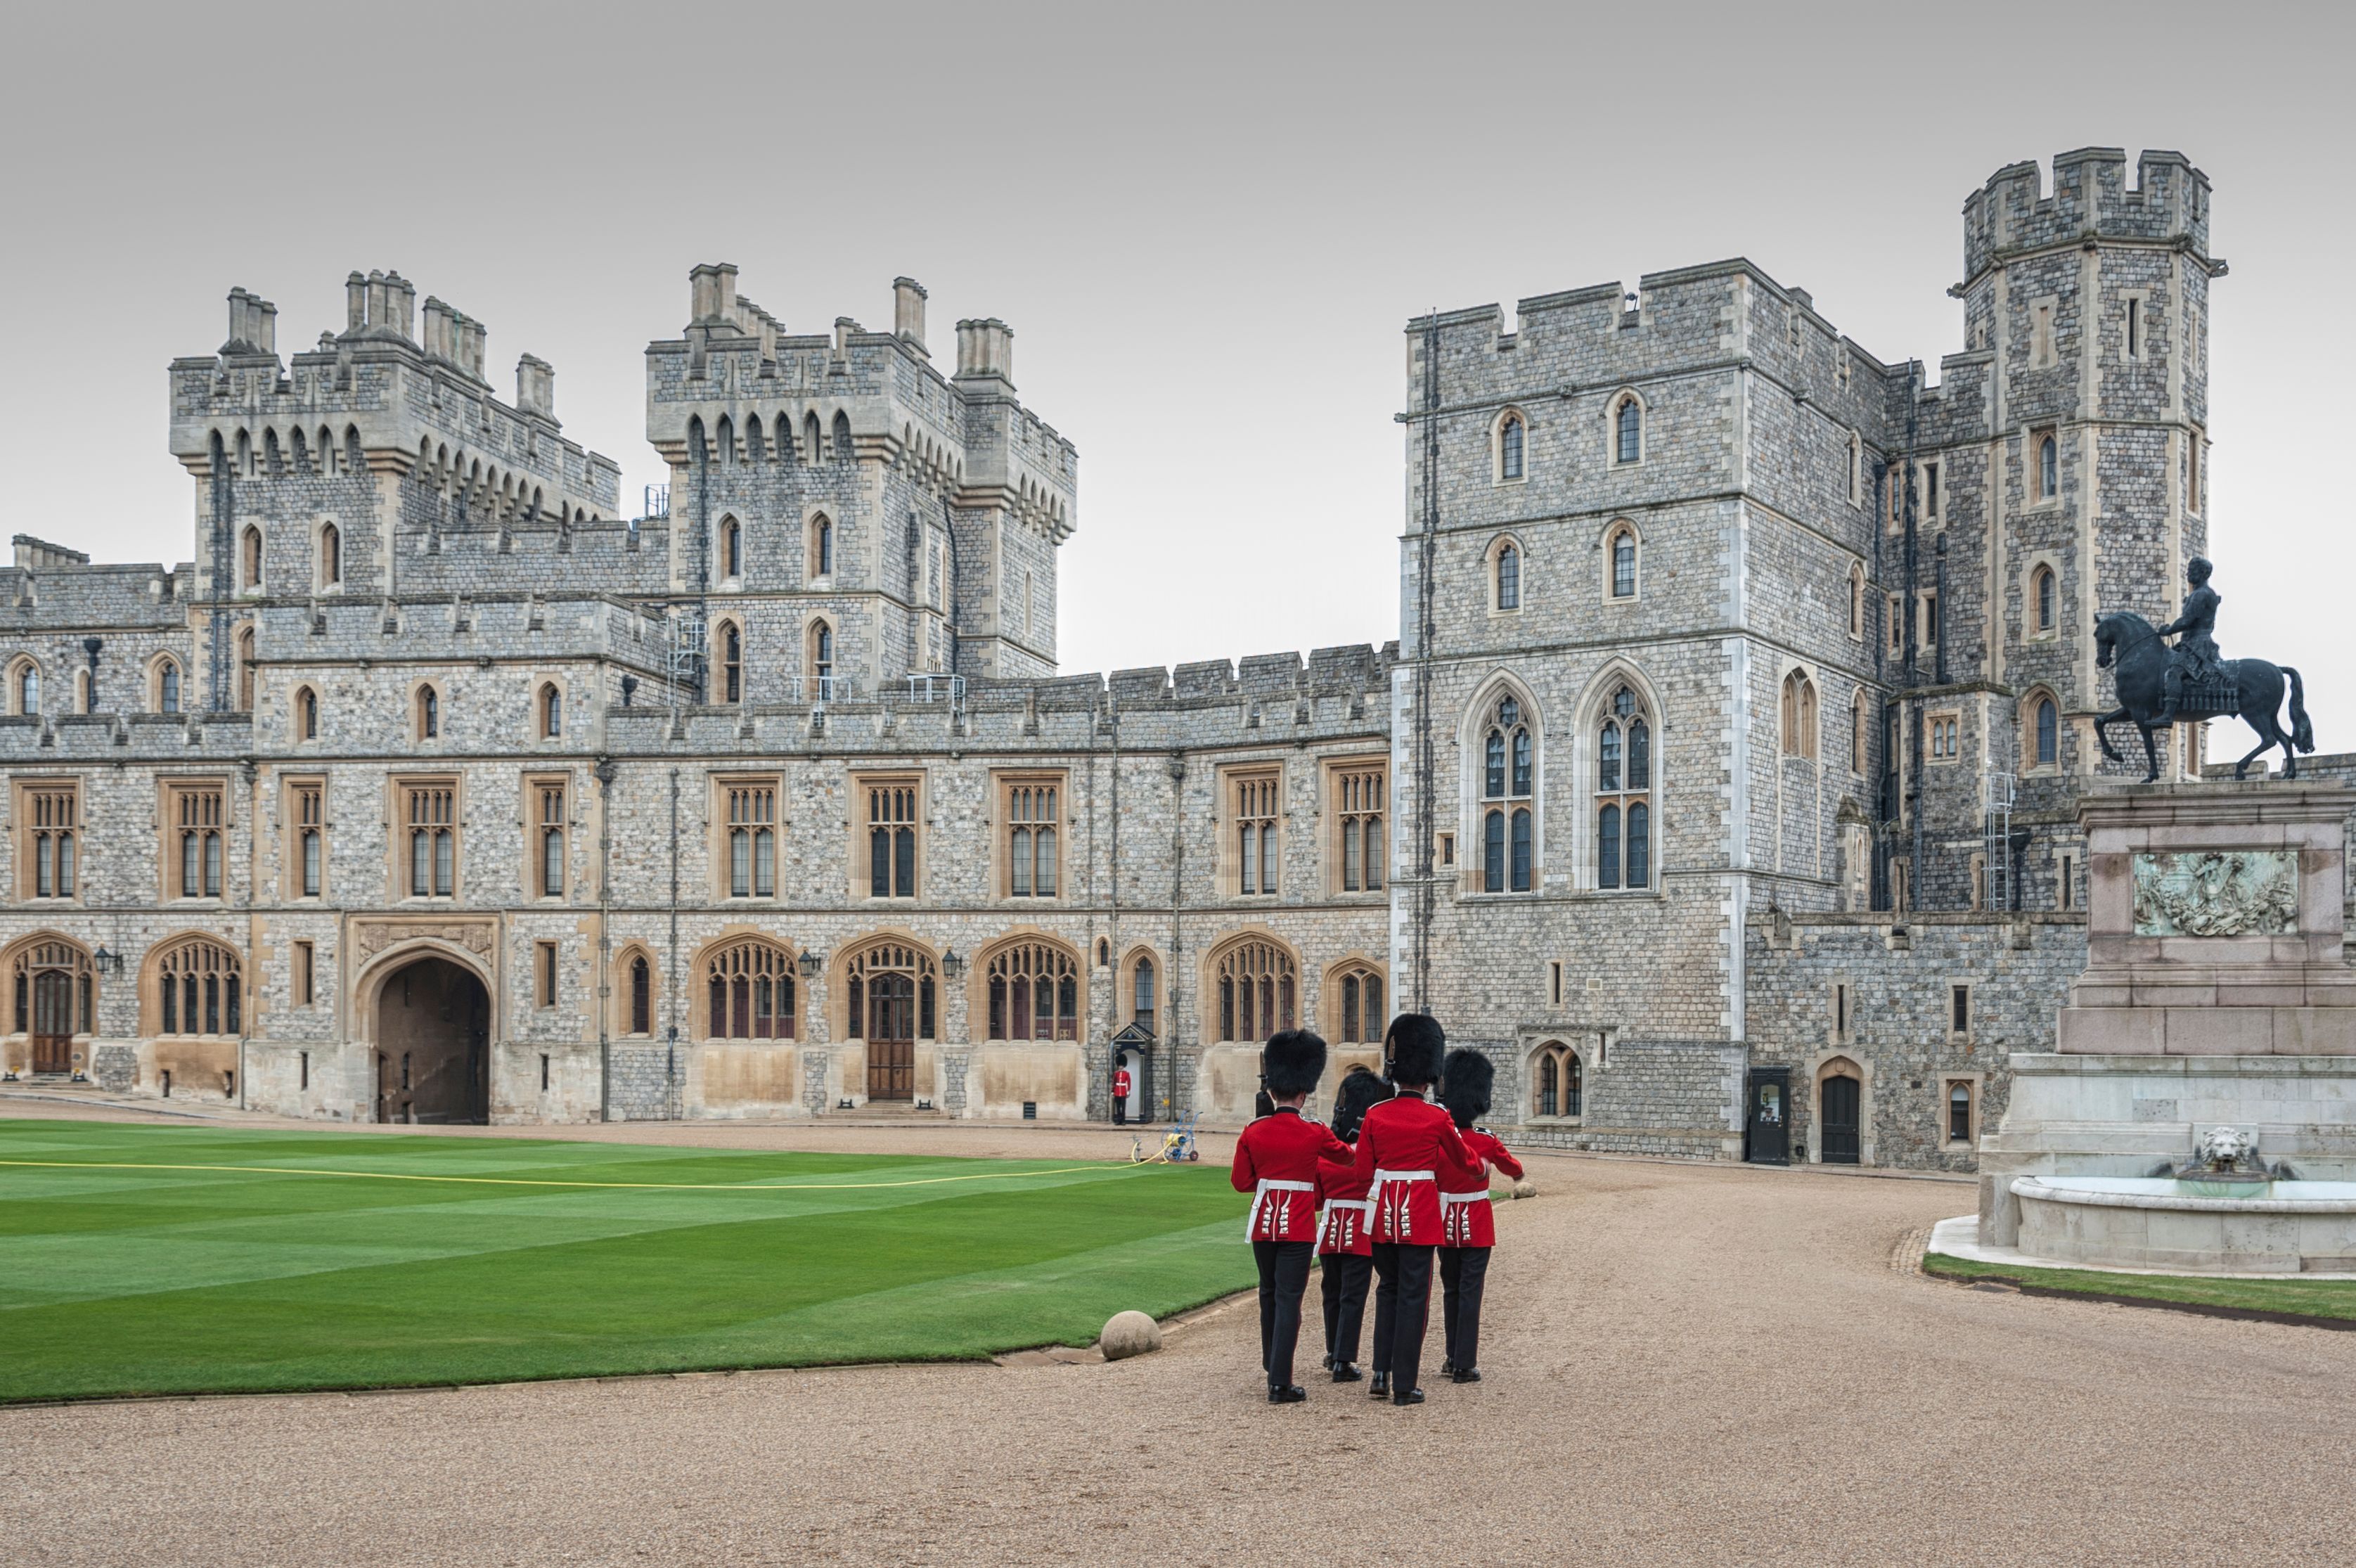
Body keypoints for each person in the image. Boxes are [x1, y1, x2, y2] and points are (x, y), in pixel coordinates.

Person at [1353, 1013, 1480, 1406]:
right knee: (1414, 1296)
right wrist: (1481, 1168)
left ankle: (1380, 1373)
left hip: (1382, 1214)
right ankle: (1405, 1385)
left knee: (1387, 1289)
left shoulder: (1375, 1114)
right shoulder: (1437, 1116)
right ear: (1429, 1076)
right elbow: (1464, 1161)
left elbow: (1361, 1173)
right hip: (1421, 1214)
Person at [1230, 1029, 1349, 1403]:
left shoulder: (1253, 1131)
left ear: (1271, 1091)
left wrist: (1269, 1180)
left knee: (1268, 1293)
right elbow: (1347, 1157)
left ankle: (1273, 1364)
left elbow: (1241, 1182)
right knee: (1288, 1300)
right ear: (1303, 1094)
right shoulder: (1314, 1131)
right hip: (1297, 1225)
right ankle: (1280, 1382)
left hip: (1263, 1223)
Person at [1436, 1048, 1522, 1385]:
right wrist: (1518, 1176)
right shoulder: (1485, 1140)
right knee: (1470, 1292)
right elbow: (1513, 1167)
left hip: (1444, 1222)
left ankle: (1451, 1356)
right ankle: (1465, 1364)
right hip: (1477, 1223)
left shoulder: (1439, 1140)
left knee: (1451, 1290)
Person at [1315, 1065, 1392, 1383]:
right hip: (1361, 1230)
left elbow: (1317, 1199)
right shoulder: (1373, 1155)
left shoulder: (1326, 1155)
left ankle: (1333, 1351)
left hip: (1330, 1229)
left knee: (1331, 1292)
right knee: (1352, 1296)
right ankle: (1343, 1361)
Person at [2156, 555, 2225, 724]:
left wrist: (2169, 630)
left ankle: (2168, 716)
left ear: (2203, 573)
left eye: (2192, 571)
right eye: (2189, 570)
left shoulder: (2201, 594)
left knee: (2174, 672)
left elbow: (2187, 620)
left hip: (2198, 644)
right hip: (2191, 642)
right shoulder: (2201, 593)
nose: (2188, 574)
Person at [1112, 1060, 1131, 1126]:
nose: (1120, 1067)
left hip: (1123, 1092)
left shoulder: (1126, 1073)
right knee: (1118, 1107)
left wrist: (1128, 1091)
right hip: (1117, 1092)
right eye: (1120, 1066)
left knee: (1123, 1107)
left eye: (1121, 1066)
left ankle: (1123, 1121)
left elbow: (1128, 1082)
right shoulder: (1116, 1073)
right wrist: (1113, 1091)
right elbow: (1114, 1082)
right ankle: (1118, 1120)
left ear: (1123, 1066)